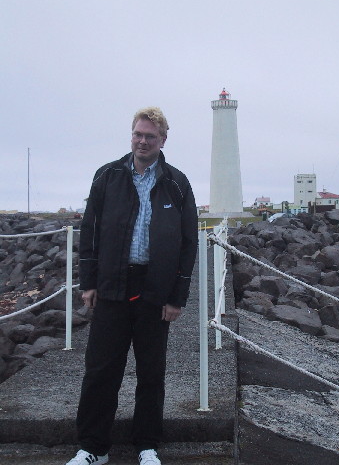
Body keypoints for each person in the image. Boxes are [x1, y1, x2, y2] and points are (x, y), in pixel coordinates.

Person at [66, 107, 198, 465]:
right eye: (138, 134)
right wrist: (88, 282)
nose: (142, 141)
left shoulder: (177, 182)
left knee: (151, 372)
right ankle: (92, 448)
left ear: (162, 140)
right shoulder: (107, 176)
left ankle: (147, 446)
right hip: (111, 285)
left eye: (150, 136)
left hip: (155, 290)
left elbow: (188, 243)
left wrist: (177, 296)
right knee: (100, 370)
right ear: (132, 135)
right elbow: (89, 231)